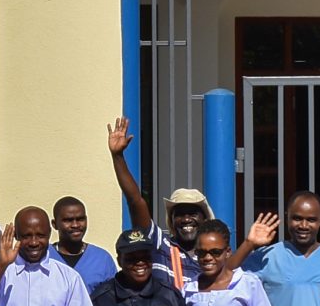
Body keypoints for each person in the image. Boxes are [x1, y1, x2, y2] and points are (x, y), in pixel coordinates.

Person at [106, 117, 268, 292]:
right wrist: (118, 157)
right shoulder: (160, 246)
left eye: (193, 213)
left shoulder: (213, 254)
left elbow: (229, 271)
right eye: (180, 214)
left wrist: (250, 243)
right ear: (172, 220)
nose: (186, 219)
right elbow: (135, 200)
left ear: (204, 219)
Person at [49, 195, 118, 289]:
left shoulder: (102, 259)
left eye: (80, 219)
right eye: (68, 220)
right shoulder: (45, 256)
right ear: (55, 224)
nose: (75, 225)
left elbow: (112, 299)